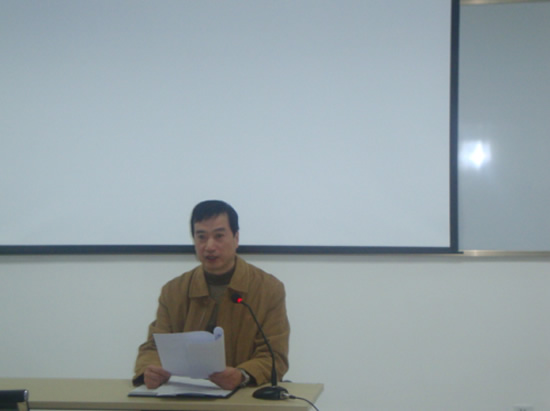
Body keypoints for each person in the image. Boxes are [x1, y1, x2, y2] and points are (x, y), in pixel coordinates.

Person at [133, 200, 290, 390]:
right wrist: (150, 370)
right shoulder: (174, 291)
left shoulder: (268, 289)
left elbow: (274, 357)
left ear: (236, 238)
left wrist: (242, 375)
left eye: (219, 236)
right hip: (183, 395)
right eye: (201, 237)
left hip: (242, 397)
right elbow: (153, 347)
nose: (209, 246)